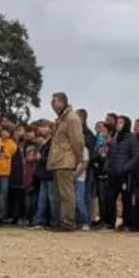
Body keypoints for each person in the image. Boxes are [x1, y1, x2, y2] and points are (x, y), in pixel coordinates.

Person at [48, 93, 89, 231]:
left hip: (66, 159)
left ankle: (68, 222)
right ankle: (63, 220)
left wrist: (79, 159)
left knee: (66, 193)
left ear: (62, 102)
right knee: (60, 193)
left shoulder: (71, 118)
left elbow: (77, 140)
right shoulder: (62, 119)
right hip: (59, 159)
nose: (52, 104)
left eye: (55, 101)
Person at [0, 125, 18, 225]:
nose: (4, 133)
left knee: (3, 196)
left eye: (7, 131)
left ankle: (1, 216)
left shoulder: (13, 145)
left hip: (5, 172)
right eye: (3, 130)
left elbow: (9, 155)